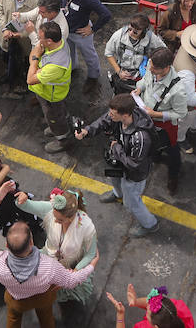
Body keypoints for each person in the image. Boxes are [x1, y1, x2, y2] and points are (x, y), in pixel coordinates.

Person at [0, 180, 98, 328]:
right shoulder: (49, 267)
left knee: (13, 317)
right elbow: (70, 280)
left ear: (7, 245)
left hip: (17, 301)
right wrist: (91, 266)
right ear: (31, 242)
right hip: (44, 298)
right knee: (47, 318)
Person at [77, 94, 159, 237]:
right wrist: (87, 131)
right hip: (118, 162)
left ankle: (150, 224)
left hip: (134, 174)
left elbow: (134, 163)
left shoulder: (141, 137)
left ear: (125, 115)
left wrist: (116, 148)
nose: (109, 116)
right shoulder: (119, 116)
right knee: (115, 180)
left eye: (113, 114)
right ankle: (117, 194)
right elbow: (104, 121)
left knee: (132, 202)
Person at [132, 47, 187, 194]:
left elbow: (180, 113)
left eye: (154, 68)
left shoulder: (178, 89)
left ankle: (173, 177)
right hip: (146, 117)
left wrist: (156, 114)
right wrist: (139, 88)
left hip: (164, 126)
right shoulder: (152, 67)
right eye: (150, 64)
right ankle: (155, 155)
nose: (150, 69)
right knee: (150, 144)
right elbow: (144, 81)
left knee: (172, 151)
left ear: (166, 68)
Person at [29, 19, 76, 154]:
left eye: (40, 38)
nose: (38, 40)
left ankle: (63, 139)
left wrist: (35, 59)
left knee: (54, 117)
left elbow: (30, 79)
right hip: (49, 91)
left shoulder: (55, 65)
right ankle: (60, 122)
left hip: (51, 96)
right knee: (59, 114)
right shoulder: (58, 43)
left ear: (49, 41)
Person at [0, 0, 42, 92]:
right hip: (5, 36)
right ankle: (9, 74)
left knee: (24, 60)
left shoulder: (36, 2)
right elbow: (0, 11)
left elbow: (34, 27)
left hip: (24, 41)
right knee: (5, 55)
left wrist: (19, 35)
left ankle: (22, 79)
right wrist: (4, 29)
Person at [105, 16, 165, 92]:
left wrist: (152, 65)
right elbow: (108, 53)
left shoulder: (151, 37)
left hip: (142, 74)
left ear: (143, 32)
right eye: (130, 29)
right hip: (123, 71)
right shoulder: (119, 35)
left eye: (135, 32)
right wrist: (118, 71)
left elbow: (163, 51)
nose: (130, 33)